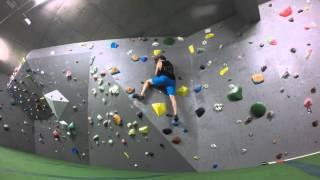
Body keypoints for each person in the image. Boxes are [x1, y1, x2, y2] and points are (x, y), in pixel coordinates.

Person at [133, 55, 179, 125]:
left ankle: (141, 95)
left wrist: (157, 67)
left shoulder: (159, 62)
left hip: (163, 78)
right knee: (172, 98)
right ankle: (175, 114)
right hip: (172, 81)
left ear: (159, 59)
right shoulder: (170, 64)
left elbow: (156, 74)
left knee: (147, 81)